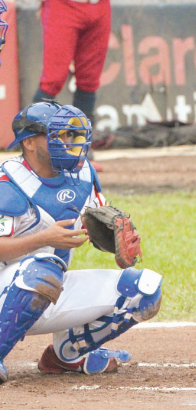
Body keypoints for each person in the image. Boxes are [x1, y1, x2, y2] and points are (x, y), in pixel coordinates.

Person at [0, 101, 162, 384]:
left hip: (49, 285)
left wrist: (116, 243)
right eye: (56, 135)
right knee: (43, 270)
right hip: (9, 286)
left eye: (68, 135)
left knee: (143, 290)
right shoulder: (9, 182)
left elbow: (95, 222)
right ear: (29, 143)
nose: (66, 142)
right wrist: (43, 239)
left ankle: (67, 354)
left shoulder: (81, 174)